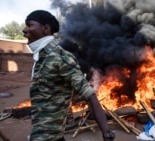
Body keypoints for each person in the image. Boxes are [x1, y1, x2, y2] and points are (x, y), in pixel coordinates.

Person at [22, 10, 115, 141]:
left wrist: (107, 134)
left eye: (29, 25)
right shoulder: (41, 58)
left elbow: (89, 95)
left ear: (46, 28)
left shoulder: (60, 57)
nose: (24, 30)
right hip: (40, 135)